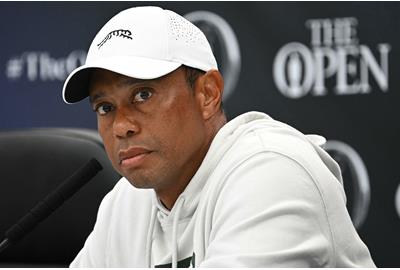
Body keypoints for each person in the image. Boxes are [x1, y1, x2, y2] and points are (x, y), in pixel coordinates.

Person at [62, 6, 376, 267]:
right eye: (105, 108)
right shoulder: (125, 204)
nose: (120, 126)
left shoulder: (273, 171)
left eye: (143, 94)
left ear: (208, 94)